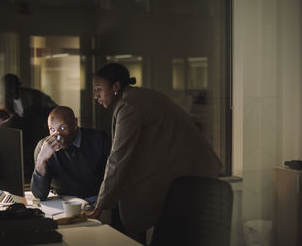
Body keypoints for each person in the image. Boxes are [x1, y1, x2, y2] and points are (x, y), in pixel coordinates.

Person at [88, 63, 223, 243]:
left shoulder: (129, 105)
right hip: (193, 175)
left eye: (99, 89)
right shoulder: (137, 96)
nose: (96, 96)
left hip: (192, 178)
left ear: (116, 87)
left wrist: (101, 205)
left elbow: (118, 158)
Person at [31, 106, 111, 203]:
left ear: (75, 123)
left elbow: (113, 181)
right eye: (52, 129)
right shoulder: (43, 147)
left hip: (94, 200)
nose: (57, 135)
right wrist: (41, 159)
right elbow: (39, 195)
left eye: (62, 127)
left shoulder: (99, 140)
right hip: (61, 201)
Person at [1, 73, 58, 183]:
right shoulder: (8, 100)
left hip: (37, 133)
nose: (8, 94)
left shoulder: (34, 96)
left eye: (10, 89)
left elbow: (54, 110)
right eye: (5, 90)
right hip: (23, 138)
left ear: (17, 86)